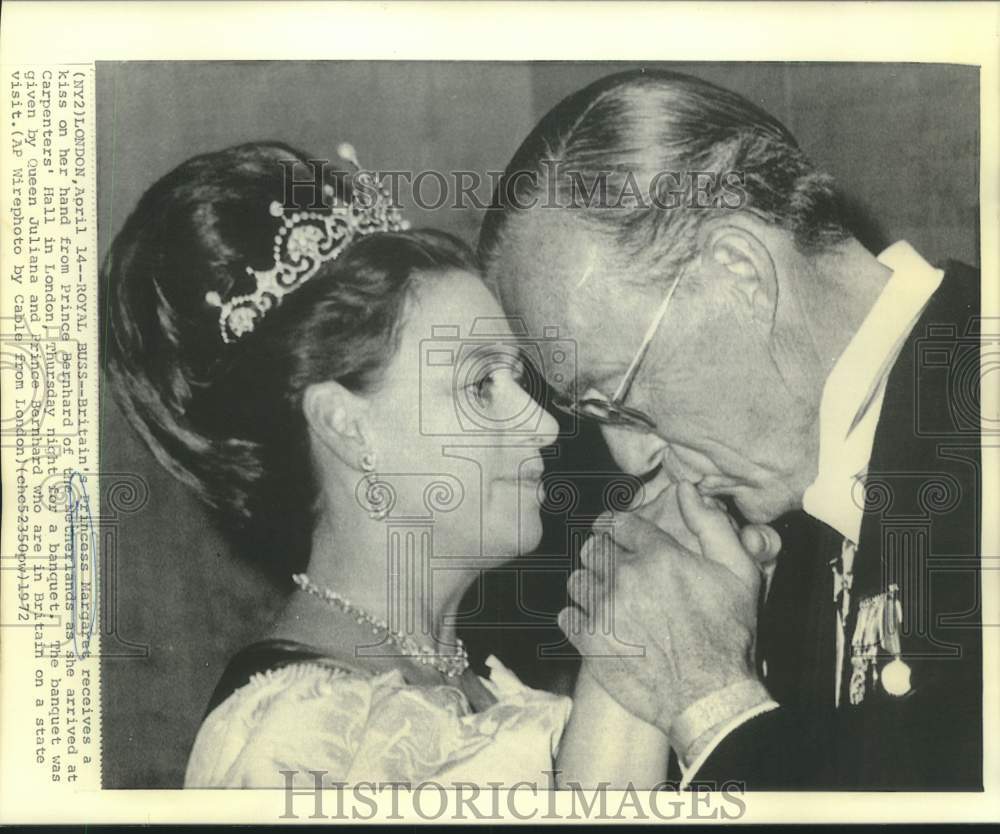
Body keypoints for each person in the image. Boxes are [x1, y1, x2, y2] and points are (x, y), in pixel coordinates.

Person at [105, 140, 729, 789]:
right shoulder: (302, 737)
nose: (542, 425)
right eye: (481, 384)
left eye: (519, 379)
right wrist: (625, 656)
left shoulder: (467, 688)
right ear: (349, 430)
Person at [479, 69, 982, 790]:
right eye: (593, 417)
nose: (631, 454)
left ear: (739, 271)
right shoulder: (792, 518)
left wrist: (712, 700)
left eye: (619, 395)